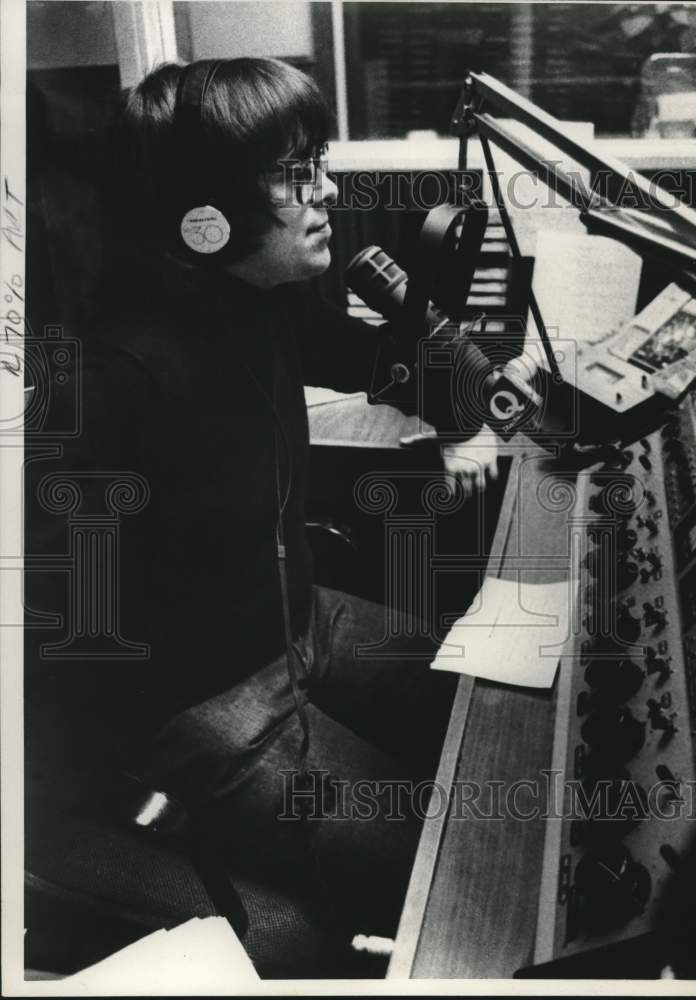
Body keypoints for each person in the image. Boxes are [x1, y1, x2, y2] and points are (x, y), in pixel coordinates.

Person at [24, 57, 498, 969]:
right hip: (210, 712)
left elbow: (382, 365)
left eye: (318, 161)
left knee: (493, 716)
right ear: (209, 214)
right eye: (295, 174)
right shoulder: (108, 381)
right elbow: (53, 638)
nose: (325, 191)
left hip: (302, 622)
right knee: (462, 860)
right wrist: (166, 784)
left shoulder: (263, 301)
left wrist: (461, 406)